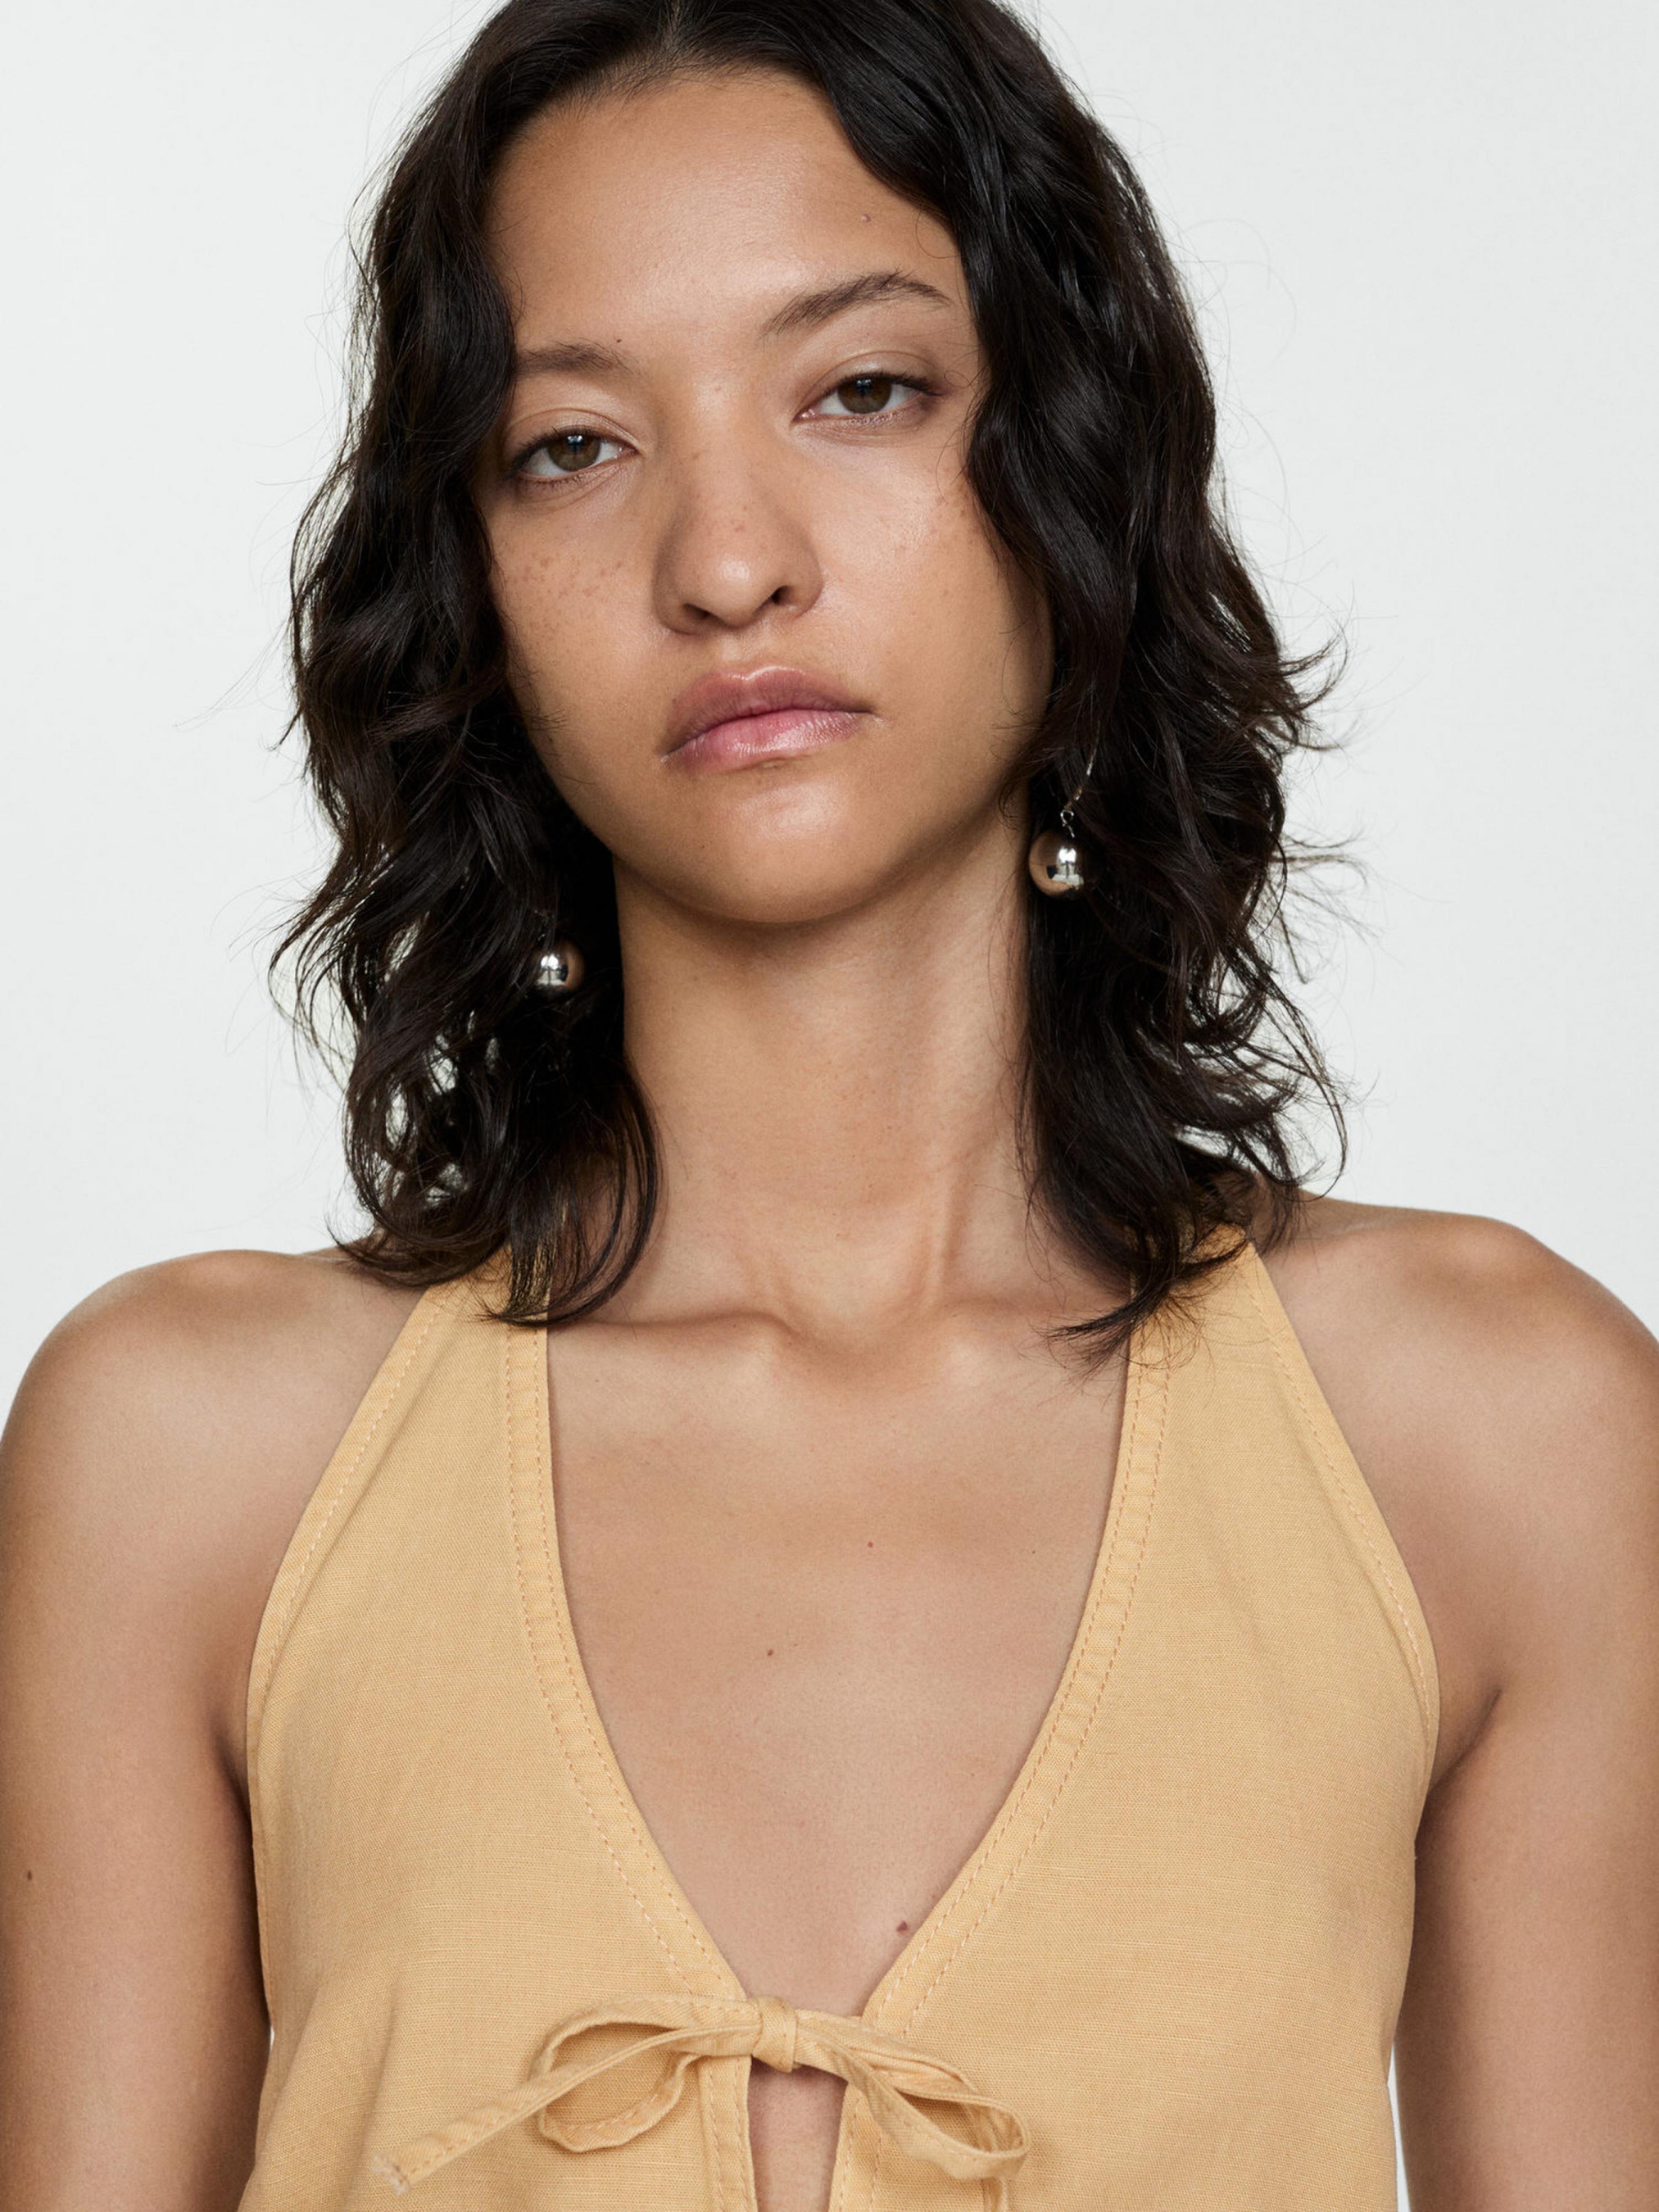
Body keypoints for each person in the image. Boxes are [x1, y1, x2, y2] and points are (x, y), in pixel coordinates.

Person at [2, 0, 1655, 2205]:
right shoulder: (186, 1465)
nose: (725, 562)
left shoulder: (1493, 1437)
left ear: (1068, 460)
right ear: (467, 584)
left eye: (861, 389)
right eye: (571, 444)